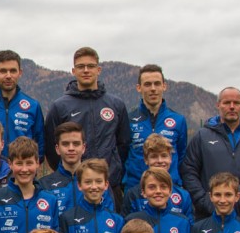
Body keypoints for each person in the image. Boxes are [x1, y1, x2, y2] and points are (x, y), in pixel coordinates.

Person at [43, 47, 130, 191]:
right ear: (73, 71)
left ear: (98, 70)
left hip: (109, 184)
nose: (86, 70)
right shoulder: (60, 106)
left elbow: (124, 144)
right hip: (72, 185)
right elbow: (51, 149)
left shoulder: (116, 105)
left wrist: (115, 171)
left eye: (90, 66)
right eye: (80, 66)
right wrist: (69, 173)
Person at [183, 86, 240, 218]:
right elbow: (188, 170)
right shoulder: (202, 137)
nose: (232, 107)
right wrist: (202, 199)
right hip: (210, 213)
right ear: (218, 105)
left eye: (236, 103)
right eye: (227, 103)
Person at [122, 63, 188, 201]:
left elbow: (181, 157)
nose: (153, 89)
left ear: (164, 86)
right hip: (136, 191)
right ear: (139, 88)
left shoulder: (178, 120)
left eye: (157, 84)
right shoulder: (128, 120)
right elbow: (122, 155)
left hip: (168, 191)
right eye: (147, 84)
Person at [38, 121, 114, 217]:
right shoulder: (45, 185)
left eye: (76, 144)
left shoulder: (99, 183)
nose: (71, 148)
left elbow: (109, 217)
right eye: (65, 144)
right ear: (57, 149)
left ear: (83, 148)